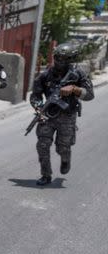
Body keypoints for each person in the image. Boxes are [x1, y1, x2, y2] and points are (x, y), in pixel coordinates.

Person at [28, 43, 93, 186]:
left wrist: (75, 88)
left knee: (62, 147)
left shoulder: (78, 74)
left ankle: (65, 158)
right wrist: (39, 108)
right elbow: (35, 96)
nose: (59, 62)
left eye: (64, 59)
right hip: (48, 115)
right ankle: (46, 175)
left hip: (67, 116)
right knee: (42, 145)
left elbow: (90, 95)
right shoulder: (45, 75)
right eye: (57, 58)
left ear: (70, 60)